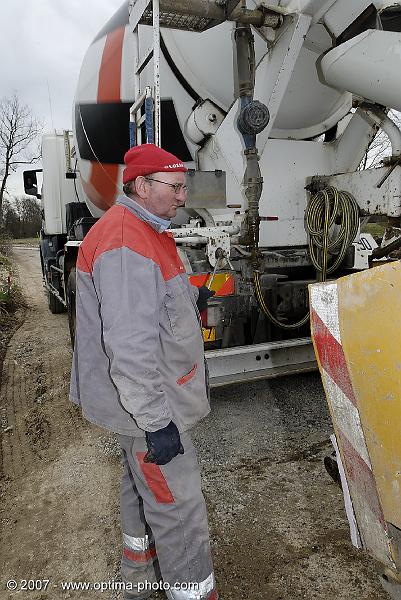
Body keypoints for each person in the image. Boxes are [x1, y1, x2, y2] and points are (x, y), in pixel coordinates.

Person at [69, 143, 218, 600]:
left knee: (141, 490)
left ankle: (137, 581)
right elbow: (130, 351)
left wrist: (192, 305)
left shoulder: (144, 231)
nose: (182, 196)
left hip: (140, 406)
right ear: (141, 185)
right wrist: (156, 423)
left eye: (182, 187)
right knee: (180, 510)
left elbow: (148, 311)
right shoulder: (125, 241)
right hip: (149, 409)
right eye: (174, 187)